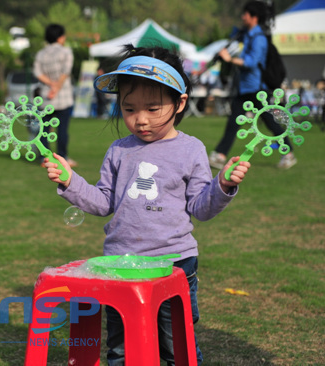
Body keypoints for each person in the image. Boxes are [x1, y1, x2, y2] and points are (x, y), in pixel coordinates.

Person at [42, 45, 251, 366]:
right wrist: (71, 181)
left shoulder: (191, 149)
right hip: (120, 265)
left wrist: (223, 185)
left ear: (180, 102)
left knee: (173, 344)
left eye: (153, 109)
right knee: (121, 347)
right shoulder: (118, 150)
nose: (140, 120)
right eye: (129, 109)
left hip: (175, 263)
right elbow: (102, 202)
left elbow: (200, 208)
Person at [209, 0, 296, 170]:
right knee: (234, 122)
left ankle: (289, 153)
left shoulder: (259, 38)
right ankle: (220, 155)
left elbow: (252, 61)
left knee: (270, 122)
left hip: (257, 89)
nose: (242, 17)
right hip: (244, 88)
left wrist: (230, 59)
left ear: (254, 17)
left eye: (245, 14)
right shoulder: (245, 35)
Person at [34, 23, 76, 167]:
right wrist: (57, 87)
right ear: (60, 37)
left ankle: (44, 159)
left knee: (43, 130)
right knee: (62, 129)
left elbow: (38, 73)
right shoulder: (66, 52)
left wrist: (51, 85)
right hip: (63, 96)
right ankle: (62, 157)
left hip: (46, 97)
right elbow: (66, 71)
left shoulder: (41, 54)